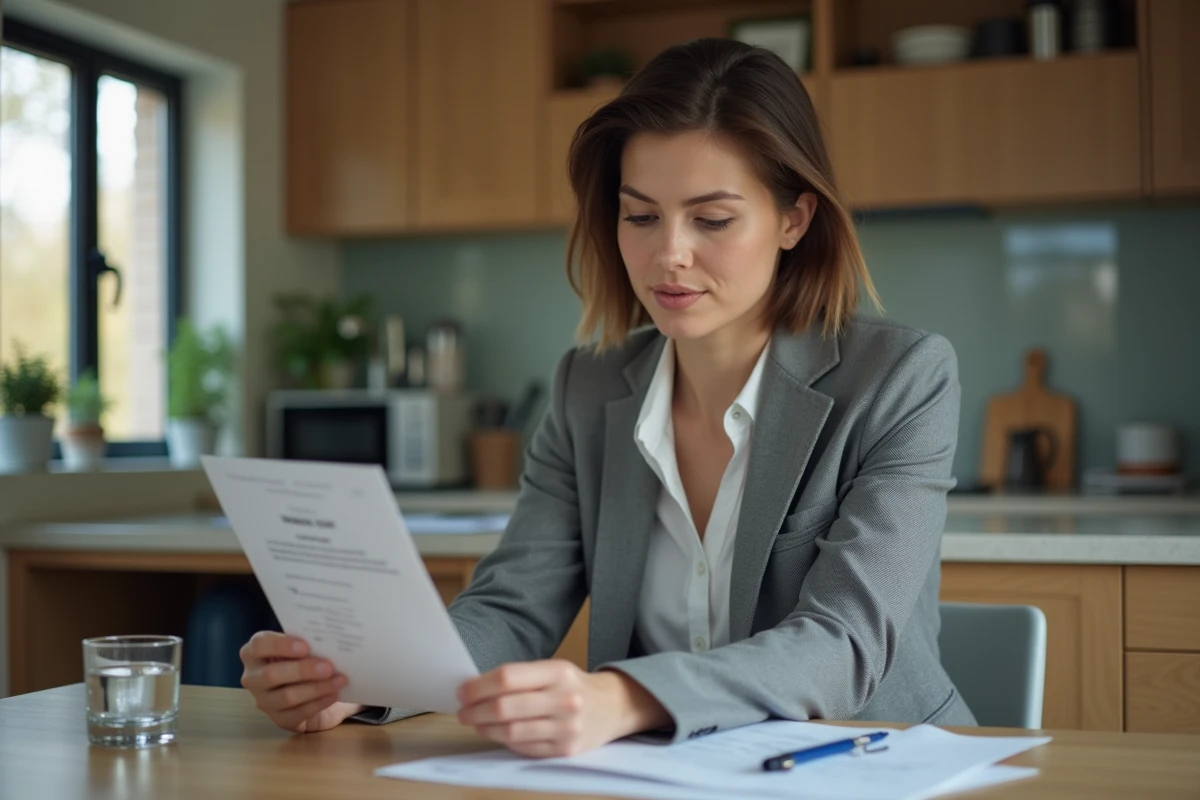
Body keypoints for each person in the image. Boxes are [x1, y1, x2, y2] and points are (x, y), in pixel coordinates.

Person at [239, 37, 976, 757]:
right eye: (641, 215)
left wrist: (624, 698)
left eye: (712, 220)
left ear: (794, 219)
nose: (668, 254)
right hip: (658, 771)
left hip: (865, 761)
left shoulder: (900, 378)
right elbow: (512, 606)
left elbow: (843, 644)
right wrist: (361, 682)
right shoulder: (586, 387)